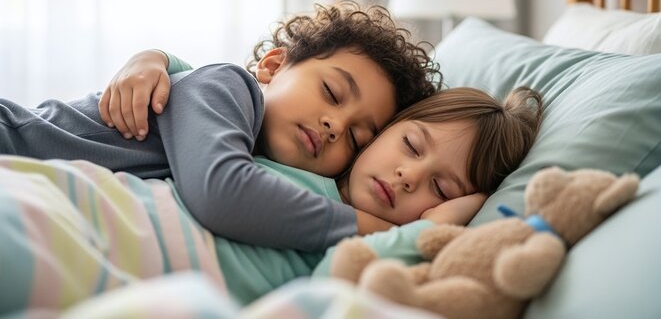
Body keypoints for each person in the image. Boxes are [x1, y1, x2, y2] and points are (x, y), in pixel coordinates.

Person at [0, 0, 439, 252]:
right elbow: (223, 192)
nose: (334, 125)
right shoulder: (230, 85)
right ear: (272, 66)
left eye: (357, 137)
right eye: (331, 93)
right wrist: (387, 230)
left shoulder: (248, 138)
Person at [103, 75, 543, 303]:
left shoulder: (387, 249)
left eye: (441, 187)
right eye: (410, 145)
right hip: (118, 208)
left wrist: (432, 228)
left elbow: (330, 287)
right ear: (383, 130)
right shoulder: (300, 154)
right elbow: (212, 99)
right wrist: (159, 58)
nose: (409, 175)